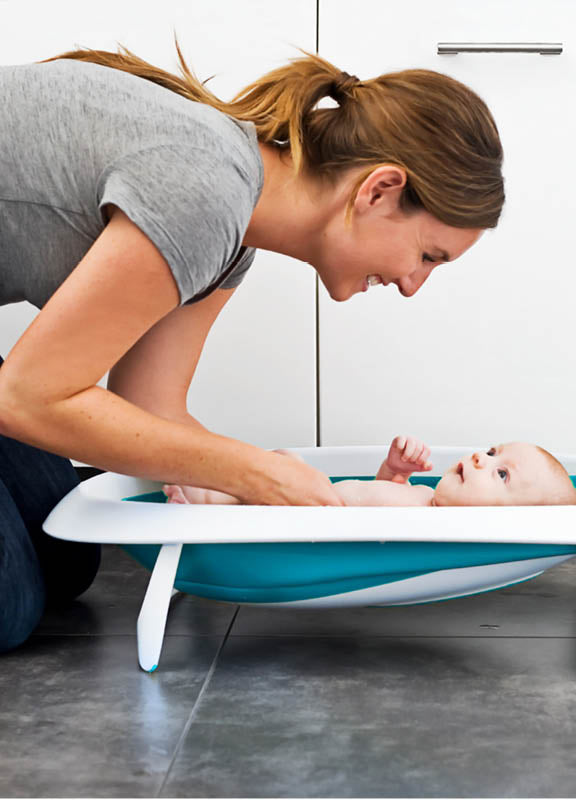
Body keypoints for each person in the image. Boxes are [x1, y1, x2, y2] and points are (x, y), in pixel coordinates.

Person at [0, 41, 504, 652]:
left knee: (64, 560)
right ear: (379, 190)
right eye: (427, 256)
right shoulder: (205, 192)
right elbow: (27, 398)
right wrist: (257, 472)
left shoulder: (233, 236)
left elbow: (147, 409)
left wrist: (260, 486)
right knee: (10, 602)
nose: (412, 286)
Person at [163, 435, 576, 507]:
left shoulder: (437, 525)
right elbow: (385, 493)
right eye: (491, 451)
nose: (480, 460)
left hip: (311, 511)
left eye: (500, 474)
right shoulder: (426, 500)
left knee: (277, 473)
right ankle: (208, 485)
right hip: (310, 496)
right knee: (285, 462)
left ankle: (201, 498)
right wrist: (395, 470)